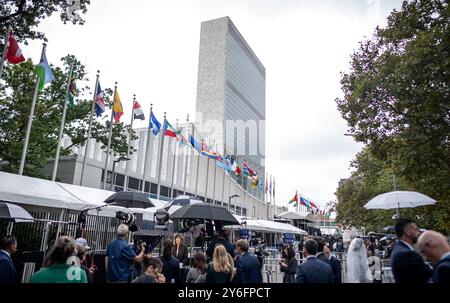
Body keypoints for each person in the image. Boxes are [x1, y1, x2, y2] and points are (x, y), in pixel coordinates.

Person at [390, 218, 432, 283]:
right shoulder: (407, 254)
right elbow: (430, 274)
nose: (419, 233)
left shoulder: (400, 249)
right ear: (407, 232)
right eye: (416, 229)